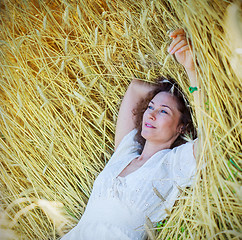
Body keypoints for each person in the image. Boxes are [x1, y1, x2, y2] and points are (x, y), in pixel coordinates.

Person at [61, 28, 199, 240]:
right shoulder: (126, 152)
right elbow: (135, 89)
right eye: (150, 107)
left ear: (181, 127)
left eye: (163, 111)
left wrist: (191, 71)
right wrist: (168, 89)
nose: (151, 115)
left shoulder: (173, 164)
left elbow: (211, 138)